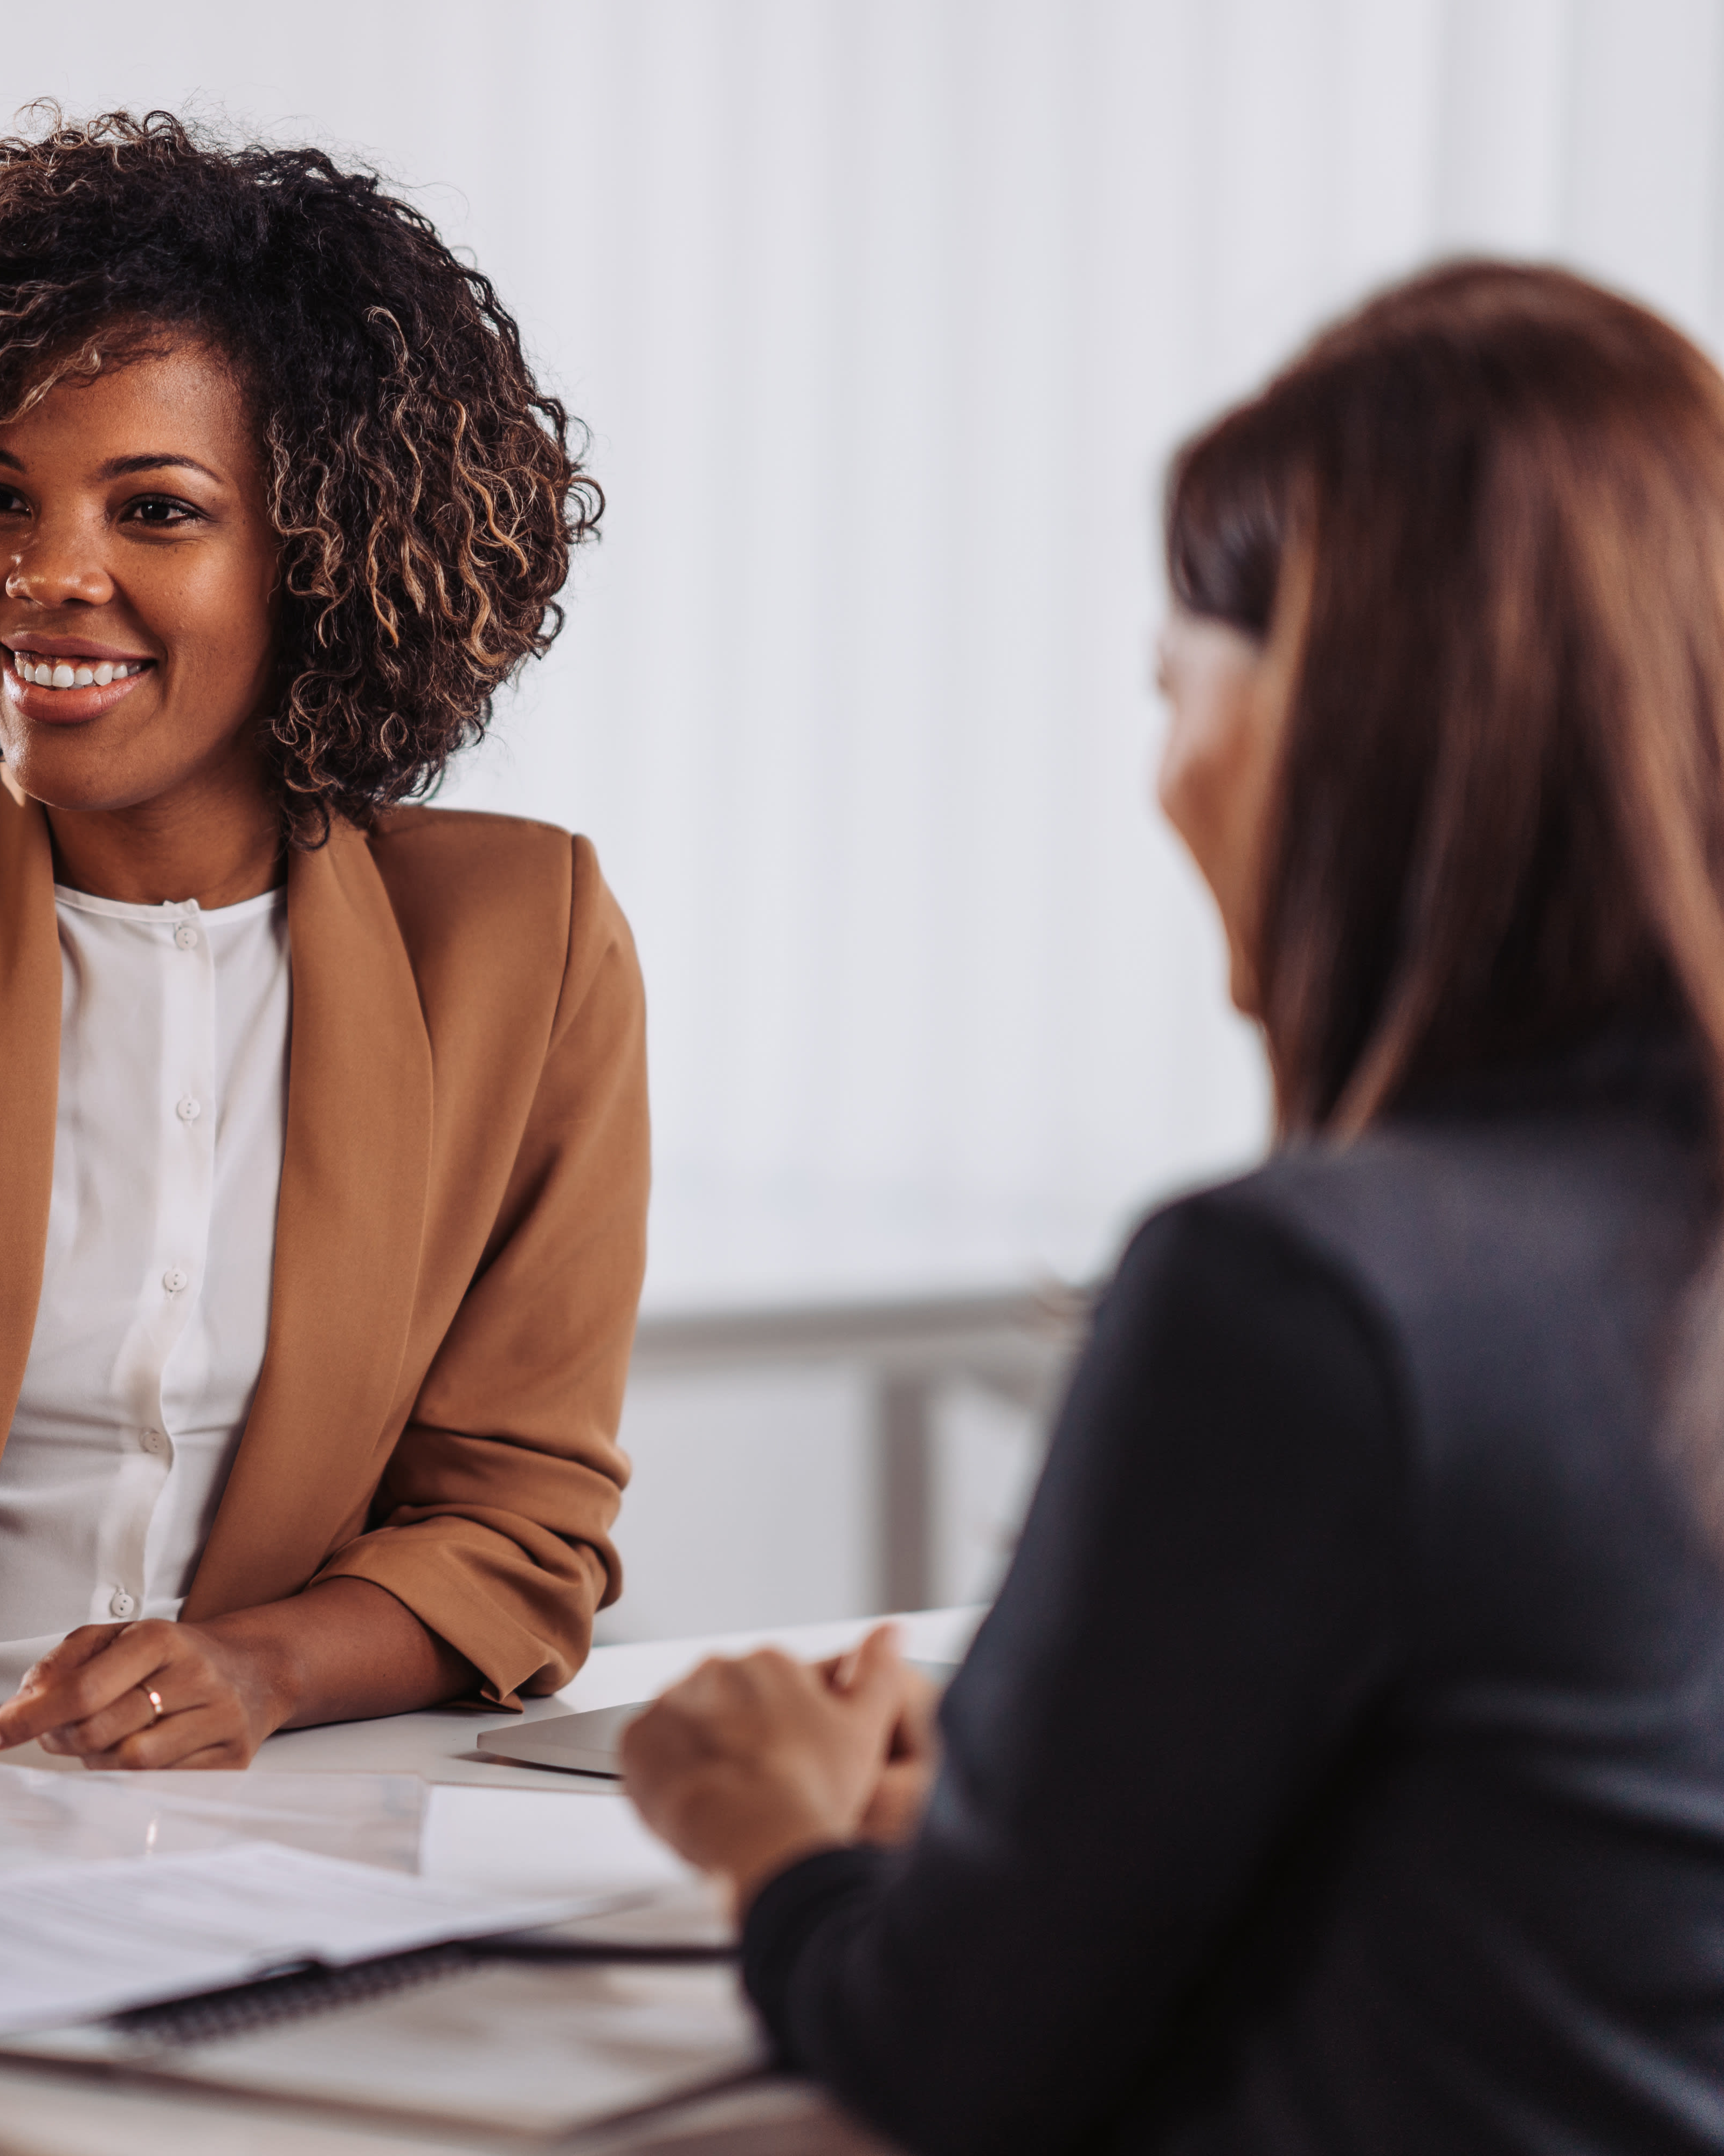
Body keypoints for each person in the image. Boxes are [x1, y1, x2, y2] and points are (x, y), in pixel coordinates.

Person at [620, 259, 1724, 2153]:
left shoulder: (1303, 1293)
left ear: (1339, 715)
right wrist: (1043, 1819)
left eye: (1172, 688)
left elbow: (950, 2051)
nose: (1161, 780)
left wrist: (771, 1827)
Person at [0, 112, 644, 1767]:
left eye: (154, 510)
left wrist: (256, 1669)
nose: (43, 579)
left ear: (316, 555)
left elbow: (516, 1526)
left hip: (280, 1806)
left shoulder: (522, 946)